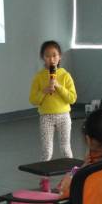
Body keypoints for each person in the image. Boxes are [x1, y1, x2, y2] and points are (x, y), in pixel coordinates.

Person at [28, 40, 77, 191]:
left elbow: (72, 98)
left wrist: (58, 86)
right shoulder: (39, 77)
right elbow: (33, 100)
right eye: (47, 56)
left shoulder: (65, 75)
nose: (51, 59)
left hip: (64, 116)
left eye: (54, 55)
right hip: (46, 117)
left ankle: (69, 179)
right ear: (42, 57)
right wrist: (44, 90)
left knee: (66, 149)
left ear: (60, 56)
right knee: (47, 151)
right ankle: (44, 180)